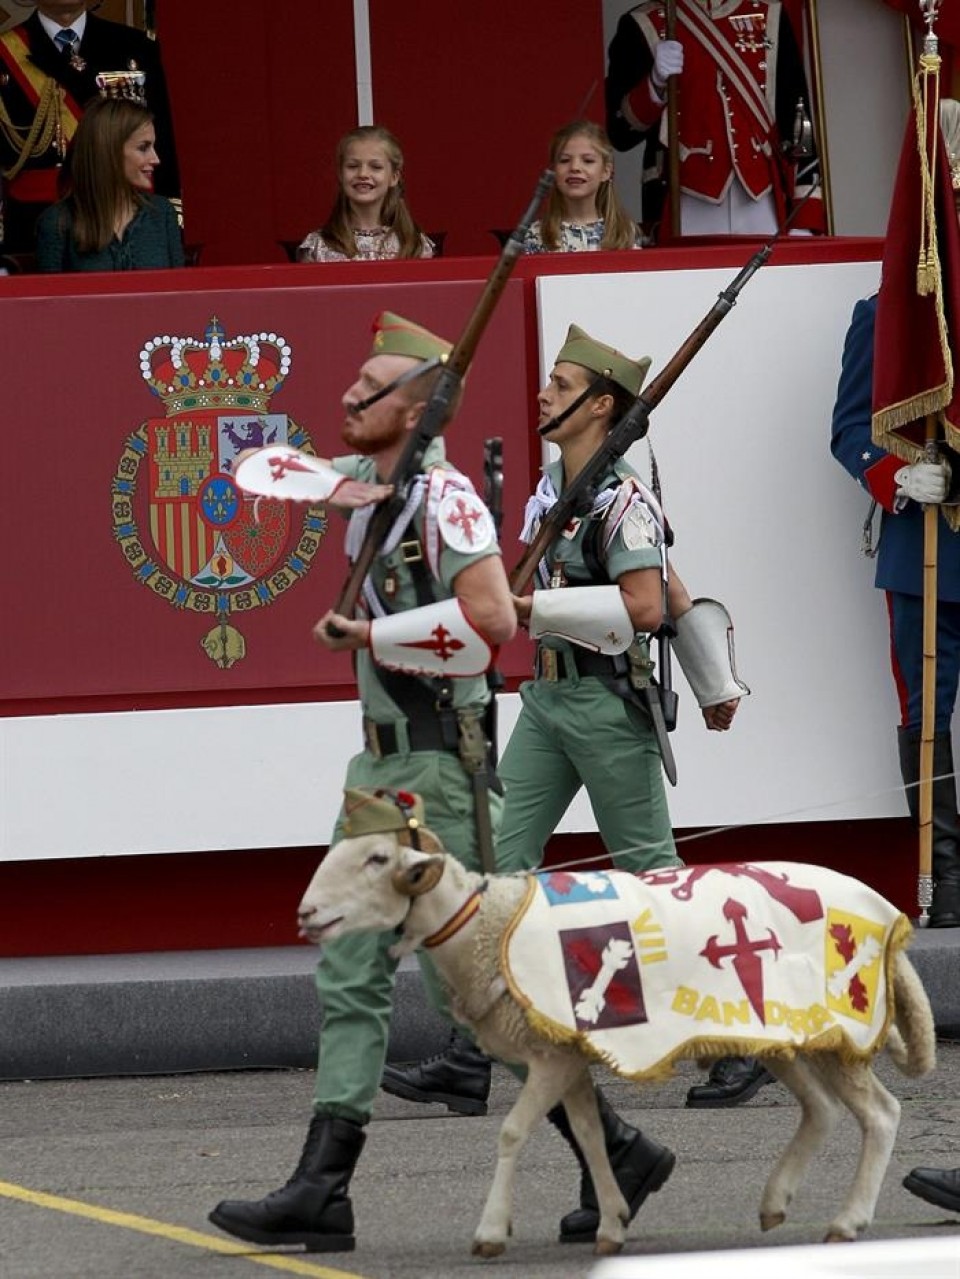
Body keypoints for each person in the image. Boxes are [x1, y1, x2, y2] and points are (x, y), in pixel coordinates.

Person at [206, 311, 671, 1252]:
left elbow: (494, 618)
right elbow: (265, 469)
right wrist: (327, 480)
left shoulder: (448, 500)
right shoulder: (380, 488)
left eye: (370, 388)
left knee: (493, 985)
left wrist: (371, 635)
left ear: (418, 407)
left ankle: (609, 1152)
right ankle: (327, 1189)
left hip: (439, 768)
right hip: (378, 766)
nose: (346, 395)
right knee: (354, 967)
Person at [382, 323, 758, 1241]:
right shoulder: (558, 491)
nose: (543, 393)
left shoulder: (619, 500)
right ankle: (476, 1053)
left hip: (603, 706)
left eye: (561, 385)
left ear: (601, 406)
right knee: (495, 871)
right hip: (548, 703)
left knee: (656, 882)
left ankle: (732, 1045)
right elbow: (663, 594)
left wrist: (709, 683)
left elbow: (644, 603)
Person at [604, 0, 824, 239]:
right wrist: (653, 85)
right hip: (684, 198)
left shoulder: (769, 13)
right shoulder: (644, 22)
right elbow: (620, 133)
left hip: (762, 196)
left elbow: (798, 114)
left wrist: (805, 214)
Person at [0, 0, 180, 255]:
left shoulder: (136, 47)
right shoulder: (5, 55)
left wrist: (171, 221)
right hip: (34, 228)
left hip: (127, 226)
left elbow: (162, 146)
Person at [35, 95, 183, 272]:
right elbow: (50, 299)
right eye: (143, 147)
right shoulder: (57, 222)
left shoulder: (162, 213)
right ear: (109, 151)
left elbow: (179, 294)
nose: (156, 159)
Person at [297, 125, 434, 263]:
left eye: (375, 167)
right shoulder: (316, 247)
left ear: (394, 177)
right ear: (340, 174)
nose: (363, 174)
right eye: (353, 166)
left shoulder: (415, 246)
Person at [522, 119, 643, 253]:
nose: (575, 167)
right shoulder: (538, 235)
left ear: (606, 171)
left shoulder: (624, 232)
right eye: (565, 160)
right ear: (554, 171)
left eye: (588, 161)